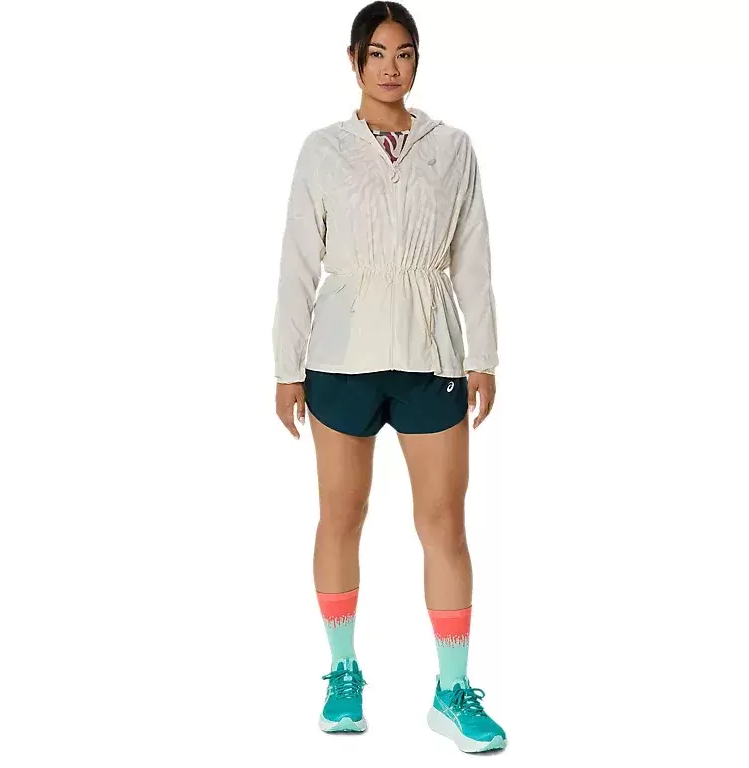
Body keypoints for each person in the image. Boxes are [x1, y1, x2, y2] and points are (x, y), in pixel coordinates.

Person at [271, 2, 505, 754]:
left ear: (417, 62)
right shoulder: (324, 149)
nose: (390, 66)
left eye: (403, 53)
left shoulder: (453, 148)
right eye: (376, 53)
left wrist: (482, 355)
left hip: (431, 356)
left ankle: (452, 691)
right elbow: (298, 258)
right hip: (339, 357)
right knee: (341, 516)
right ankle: (343, 674)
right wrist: (285, 366)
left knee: (444, 524)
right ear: (354, 61)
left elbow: (473, 255)